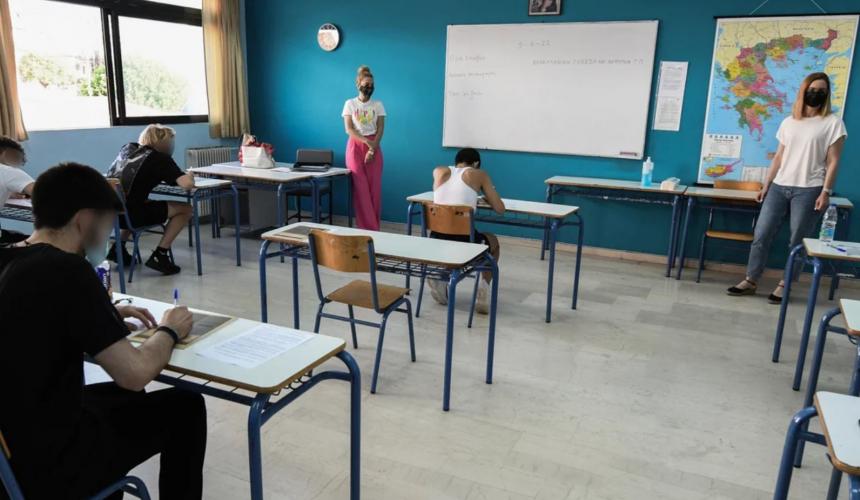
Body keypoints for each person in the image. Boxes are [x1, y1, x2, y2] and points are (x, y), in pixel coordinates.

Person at [0, 163, 206, 499]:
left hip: (10, 452)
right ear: (84, 220)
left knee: (126, 399)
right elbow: (135, 373)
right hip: (48, 465)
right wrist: (169, 329)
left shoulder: (9, 258)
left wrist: (102, 316)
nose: (108, 237)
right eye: (108, 225)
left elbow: (33, 319)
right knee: (186, 406)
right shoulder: (68, 270)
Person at [727, 72, 847, 303]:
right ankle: (751, 279)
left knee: (797, 241)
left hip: (810, 189)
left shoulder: (833, 123)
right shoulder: (789, 122)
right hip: (779, 186)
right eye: (812, 90)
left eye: (822, 91)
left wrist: (826, 191)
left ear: (827, 95)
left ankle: (785, 284)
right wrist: (766, 185)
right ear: (803, 91)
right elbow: (779, 157)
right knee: (761, 234)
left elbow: (833, 161)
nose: (816, 94)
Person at [107, 124, 194, 275]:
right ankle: (161, 254)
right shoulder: (160, 158)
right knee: (186, 209)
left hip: (113, 214)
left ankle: (117, 248)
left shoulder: (128, 149)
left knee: (136, 203)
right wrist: (190, 176)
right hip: (133, 217)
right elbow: (186, 185)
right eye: (170, 142)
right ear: (164, 143)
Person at [426, 148, 504, 314]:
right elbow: (500, 208)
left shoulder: (439, 171)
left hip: (436, 241)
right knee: (493, 242)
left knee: (448, 237)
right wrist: (485, 194)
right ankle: (483, 290)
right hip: (465, 244)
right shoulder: (479, 174)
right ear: (475, 163)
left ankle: (441, 278)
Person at [343, 65, 386, 230]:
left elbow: (380, 129)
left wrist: (372, 148)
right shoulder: (350, 104)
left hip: (374, 144)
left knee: (374, 189)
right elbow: (349, 129)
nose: (369, 87)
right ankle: (366, 227)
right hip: (355, 146)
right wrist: (367, 143)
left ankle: (375, 228)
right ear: (358, 84)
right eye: (366, 84)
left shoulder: (378, 104)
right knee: (360, 189)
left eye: (372, 85)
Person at [0, 136, 35, 244]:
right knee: (39, 243)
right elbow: (44, 193)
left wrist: (8, 192)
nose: (17, 167)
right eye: (17, 161)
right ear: (6, 154)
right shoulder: (7, 171)